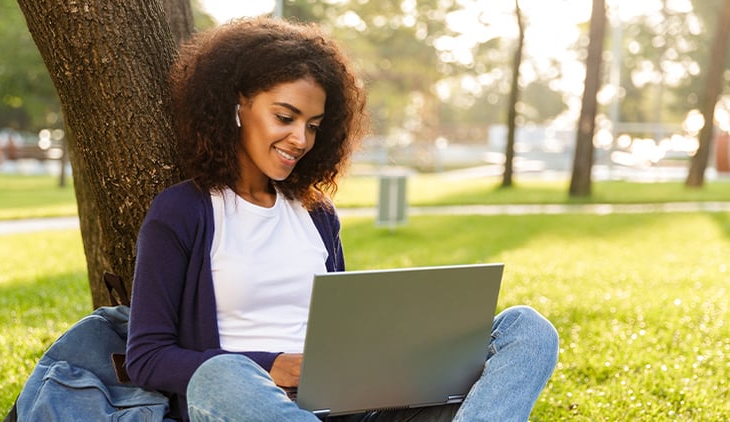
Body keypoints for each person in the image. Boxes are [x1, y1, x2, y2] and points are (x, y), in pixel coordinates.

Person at [125, 17, 558, 422]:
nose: (300, 139)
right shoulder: (183, 211)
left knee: (527, 330)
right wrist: (271, 366)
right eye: (285, 117)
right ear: (238, 105)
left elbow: (339, 332)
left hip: (344, 407)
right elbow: (147, 357)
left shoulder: (316, 214)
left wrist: (389, 360)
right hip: (249, 402)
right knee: (220, 377)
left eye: (313, 125)